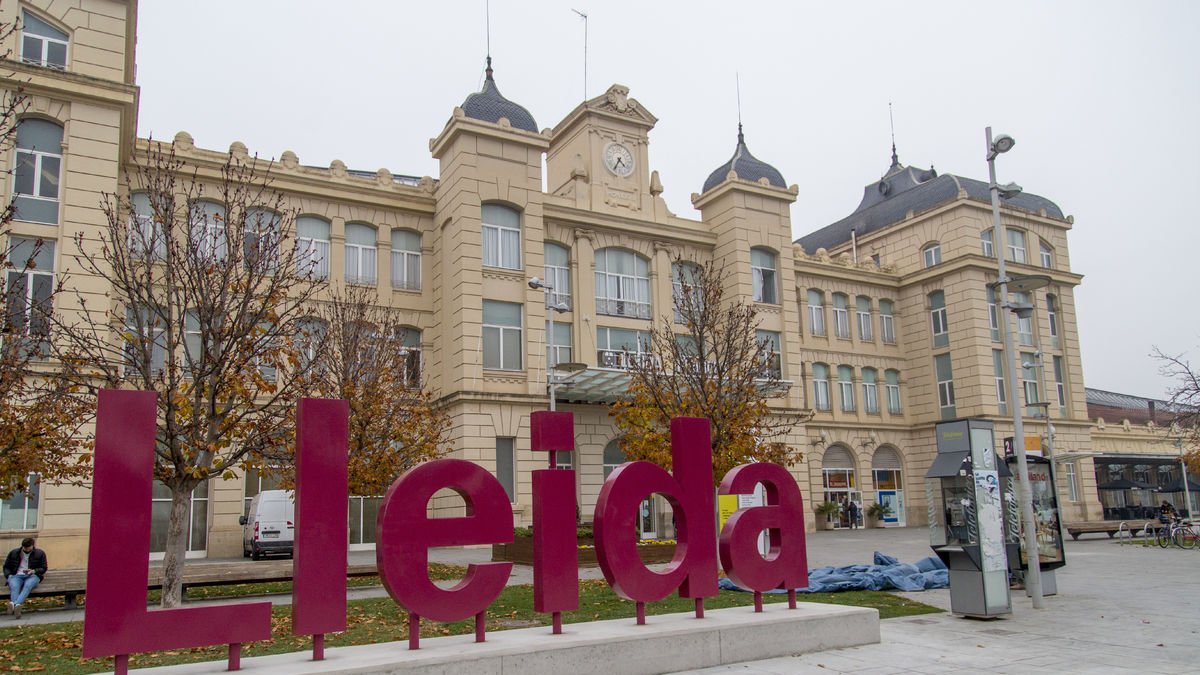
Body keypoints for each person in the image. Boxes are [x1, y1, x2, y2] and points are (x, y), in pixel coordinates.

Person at [4, 537, 47, 619]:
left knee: (28, 586)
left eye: (28, 547)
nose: (26, 549)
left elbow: (44, 568)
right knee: (14, 587)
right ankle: (17, 607)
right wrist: (9, 575)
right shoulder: (14, 553)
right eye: (24, 547)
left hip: (33, 576)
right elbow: (6, 566)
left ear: (32, 546)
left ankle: (14, 604)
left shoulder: (40, 553)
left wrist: (34, 571)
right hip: (16, 575)